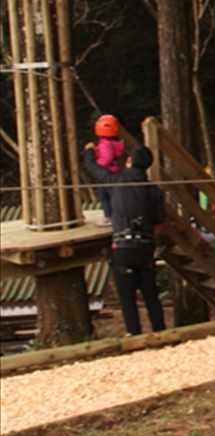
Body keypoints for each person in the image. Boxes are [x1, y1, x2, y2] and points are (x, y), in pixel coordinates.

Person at [83, 141, 166, 336]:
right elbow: (159, 219)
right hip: (146, 247)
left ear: (129, 161)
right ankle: (160, 332)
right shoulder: (154, 190)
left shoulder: (115, 180)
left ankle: (134, 335)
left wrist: (89, 151)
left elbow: (92, 168)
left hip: (123, 246)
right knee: (151, 295)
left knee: (127, 298)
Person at [93, 114, 126, 225]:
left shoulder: (105, 143)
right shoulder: (118, 143)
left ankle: (108, 216)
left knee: (103, 196)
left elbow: (106, 158)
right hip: (115, 170)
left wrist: (96, 165)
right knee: (113, 195)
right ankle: (115, 214)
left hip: (106, 172)